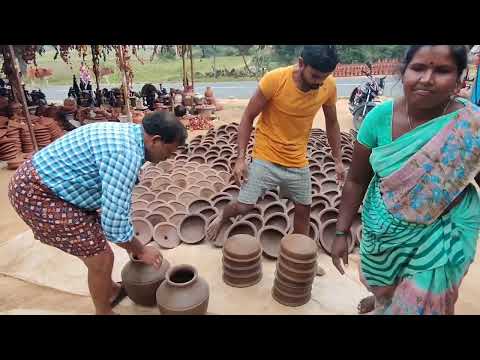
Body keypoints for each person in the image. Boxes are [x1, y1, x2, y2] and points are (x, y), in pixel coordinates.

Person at [332, 45, 480, 315]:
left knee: (420, 303)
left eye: (442, 70)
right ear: (404, 71)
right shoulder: (377, 118)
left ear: (460, 78)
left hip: (443, 234)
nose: (426, 78)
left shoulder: (470, 126)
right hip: (385, 230)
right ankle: (384, 301)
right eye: (419, 68)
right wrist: (341, 232)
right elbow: (356, 179)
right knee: (384, 285)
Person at [8, 112, 187, 315]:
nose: (168, 158)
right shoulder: (125, 153)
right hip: (36, 193)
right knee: (101, 258)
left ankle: (110, 290)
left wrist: (131, 244)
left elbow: (113, 205)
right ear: (155, 140)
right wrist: (141, 250)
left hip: (49, 183)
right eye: (169, 152)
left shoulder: (130, 134)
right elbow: (114, 224)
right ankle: (103, 312)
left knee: (94, 237)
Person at [207, 45, 345, 255]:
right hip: (266, 155)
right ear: (301, 64)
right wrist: (240, 158)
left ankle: (300, 257)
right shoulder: (275, 80)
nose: (319, 83)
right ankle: (223, 216)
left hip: (297, 160)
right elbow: (247, 117)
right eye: (315, 76)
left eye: (324, 78)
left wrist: (337, 159)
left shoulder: (328, 86)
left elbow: (332, 123)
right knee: (244, 206)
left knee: (303, 210)